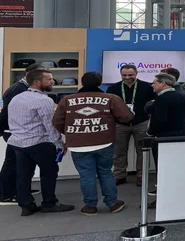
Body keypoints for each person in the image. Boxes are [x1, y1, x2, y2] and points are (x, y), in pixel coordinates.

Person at [53, 72, 132, 215]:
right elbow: (126, 117)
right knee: (106, 173)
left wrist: (73, 133)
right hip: (104, 142)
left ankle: (90, 206)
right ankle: (113, 204)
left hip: (78, 144)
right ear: (100, 82)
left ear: (82, 83)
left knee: (86, 175)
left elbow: (57, 122)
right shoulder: (111, 98)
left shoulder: (67, 100)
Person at [7, 69, 74, 216]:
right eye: (49, 79)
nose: (52, 81)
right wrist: (59, 143)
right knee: (49, 173)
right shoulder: (44, 100)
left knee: (23, 175)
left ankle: (26, 206)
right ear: (37, 82)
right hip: (39, 142)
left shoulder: (17, 98)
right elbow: (50, 125)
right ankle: (49, 203)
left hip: (18, 143)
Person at [0, 63, 45, 205]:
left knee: (19, 163)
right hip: (14, 131)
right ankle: (6, 194)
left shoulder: (21, 87)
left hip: (16, 131)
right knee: (13, 164)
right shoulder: (18, 90)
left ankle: (20, 190)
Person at [146, 73, 185, 209]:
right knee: (176, 167)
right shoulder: (183, 96)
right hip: (180, 135)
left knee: (163, 168)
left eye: (155, 82)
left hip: (163, 138)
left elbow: (159, 120)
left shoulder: (162, 99)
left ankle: (163, 198)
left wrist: (150, 132)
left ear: (163, 83)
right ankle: (178, 195)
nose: (152, 85)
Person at [105, 64, 155, 186]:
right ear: (121, 74)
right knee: (118, 151)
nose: (127, 77)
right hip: (120, 124)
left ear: (136, 73)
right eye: (124, 75)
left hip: (141, 122)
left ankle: (141, 176)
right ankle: (119, 175)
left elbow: (153, 104)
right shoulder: (113, 89)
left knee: (142, 151)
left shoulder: (147, 87)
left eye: (130, 75)